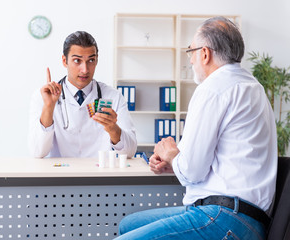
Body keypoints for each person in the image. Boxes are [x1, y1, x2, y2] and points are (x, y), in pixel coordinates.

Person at [116, 16, 277, 240]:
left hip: (224, 218)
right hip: (247, 219)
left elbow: (191, 171)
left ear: (204, 53)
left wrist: (171, 153)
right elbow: (221, 159)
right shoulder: (252, 86)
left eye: (190, 52)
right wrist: (173, 163)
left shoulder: (212, 88)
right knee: (129, 225)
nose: (190, 61)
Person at [28, 31, 137, 158]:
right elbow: (38, 152)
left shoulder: (113, 96)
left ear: (96, 60)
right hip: (60, 175)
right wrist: (48, 107)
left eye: (91, 60)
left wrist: (113, 128)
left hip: (99, 175)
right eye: (77, 60)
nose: (85, 69)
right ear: (64, 61)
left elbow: (130, 152)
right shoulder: (43, 97)